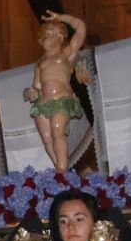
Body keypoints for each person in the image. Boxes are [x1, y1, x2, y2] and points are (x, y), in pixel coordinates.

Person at [23, 11, 86, 172]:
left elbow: (80, 27)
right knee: (47, 138)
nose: (51, 38)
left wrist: (61, 18)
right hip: (43, 103)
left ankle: (62, 169)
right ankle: (60, 168)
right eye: (47, 34)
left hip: (62, 100)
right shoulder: (39, 63)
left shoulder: (66, 54)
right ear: (40, 40)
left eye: (56, 35)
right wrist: (33, 93)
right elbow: (37, 85)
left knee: (57, 130)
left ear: (62, 38)